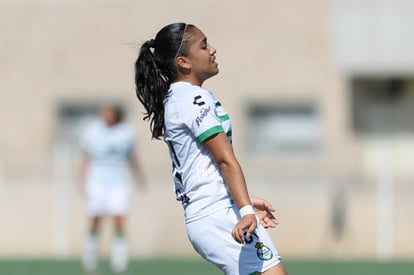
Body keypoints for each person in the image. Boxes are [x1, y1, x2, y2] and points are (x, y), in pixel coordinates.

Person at [134, 23, 288, 275]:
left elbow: (201, 168)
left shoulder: (178, 98)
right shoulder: (194, 99)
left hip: (212, 213)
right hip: (217, 216)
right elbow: (224, 159)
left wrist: (241, 201)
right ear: (184, 62)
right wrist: (245, 212)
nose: (213, 50)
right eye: (204, 45)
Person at [78, 104, 145, 274]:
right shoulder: (93, 131)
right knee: (95, 220)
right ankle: (90, 263)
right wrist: (82, 181)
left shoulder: (126, 132)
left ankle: (120, 266)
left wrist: (139, 177)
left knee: (118, 222)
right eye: (104, 112)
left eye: (109, 112)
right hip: (97, 182)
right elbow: (87, 157)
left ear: (116, 115)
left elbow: (131, 157)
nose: (105, 115)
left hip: (118, 183)